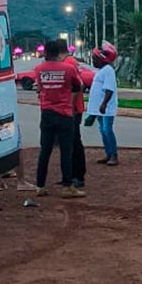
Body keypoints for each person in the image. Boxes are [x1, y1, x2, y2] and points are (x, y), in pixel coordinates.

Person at [33, 40, 85, 198]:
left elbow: (40, 88)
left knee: (45, 150)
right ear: (59, 53)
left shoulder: (38, 69)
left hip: (47, 113)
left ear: (46, 53)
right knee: (66, 151)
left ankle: (40, 186)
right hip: (65, 113)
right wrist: (69, 100)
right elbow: (79, 86)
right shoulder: (68, 68)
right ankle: (67, 186)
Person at [87, 41, 120, 167]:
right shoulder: (102, 70)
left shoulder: (108, 71)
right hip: (100, 108)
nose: (93, 61)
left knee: (107, 130)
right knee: (103, 130)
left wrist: (104, 104)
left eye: (95, 58)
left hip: (106, 108)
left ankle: (113, 155)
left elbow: (109, 89)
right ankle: (108, 153)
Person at [62, 54, 88, 187]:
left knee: (74, 142)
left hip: (74, 110)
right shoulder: (71, 61)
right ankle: (72, 175)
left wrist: (71, 106)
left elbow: (79, 85)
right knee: (70, 143)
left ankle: (78, 176)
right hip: (74, 108)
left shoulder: (68, 63)